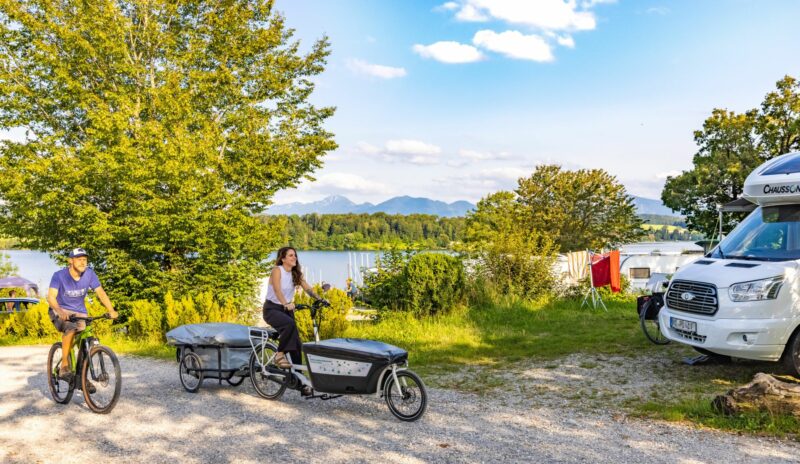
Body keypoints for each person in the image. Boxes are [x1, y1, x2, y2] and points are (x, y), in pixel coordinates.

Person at [47, 248, 118, 383]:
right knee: (71, 328)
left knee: (87, 341)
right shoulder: (59, 275)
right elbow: (51, 297)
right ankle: (64, 367)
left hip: (79, 311)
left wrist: (111, 309)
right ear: (70, 261)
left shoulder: (90, 274)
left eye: (84, 259)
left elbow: (101, 293)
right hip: (59, 309)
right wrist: (60, 312)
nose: (82, 262)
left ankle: (82, 380)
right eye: (79, 259)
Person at [263, 247, 323, 392]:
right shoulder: (277, 270)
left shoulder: (296, 273)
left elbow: (307, 287)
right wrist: (285, 303)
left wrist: (320, 299)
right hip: (272, 309)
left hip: (286, 310)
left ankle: (298, 381)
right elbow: (277, 290)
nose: (294, 258)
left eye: (295, 255)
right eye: (290, 255)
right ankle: (279, 354)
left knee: (296, 345)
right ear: (283, 258)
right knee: (289, 324)